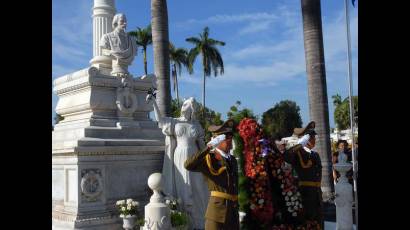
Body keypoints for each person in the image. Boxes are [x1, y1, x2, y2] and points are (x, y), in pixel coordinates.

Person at [146, 95, 208, 229]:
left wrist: (208, 160)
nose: (183, 107)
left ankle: (198, 221)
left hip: (194, 158)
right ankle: (183, 220)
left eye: (187, 105)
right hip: (179, 157)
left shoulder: (196, 125)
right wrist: (154, 103)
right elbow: (160, 121)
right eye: (184, 105)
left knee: (196, 188)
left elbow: (202, 145)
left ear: (193, 109)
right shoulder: (174, 122)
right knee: (182, 188)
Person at [184, 120, 239, 230]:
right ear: (218, 140)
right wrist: (208, 147)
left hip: (233, 212)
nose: (230, 140)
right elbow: (188, 165)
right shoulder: (209, 158)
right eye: (227, 138)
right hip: (216, 214)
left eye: (230, 137)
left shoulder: (232, 160)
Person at [285, 121, 324, 229]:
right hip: (305, 195)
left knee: (319, 223)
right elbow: (286, 156)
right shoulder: (298, 153)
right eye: (311, 138)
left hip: (317, 196)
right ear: (305, 139)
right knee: (307, 224)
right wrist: (300, 144)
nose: (314, 140)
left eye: (313, 138)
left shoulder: (315, 155)